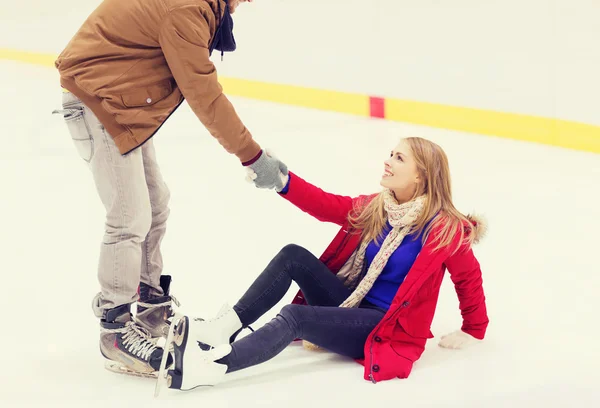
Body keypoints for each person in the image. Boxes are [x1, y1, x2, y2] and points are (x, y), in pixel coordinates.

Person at [52, 0, 286, 377]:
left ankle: (148, 306)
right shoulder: (186, 11)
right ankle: (115, 327)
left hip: (121, 101)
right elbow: (204, 94)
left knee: (156, 205)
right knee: (129, 216)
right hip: (97, 99)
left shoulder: (200, 8)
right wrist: (252, 156)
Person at [159, 137, 490, 390]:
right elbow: (326, 205)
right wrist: (281, 181)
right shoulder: (380, 206)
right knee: (293, 255)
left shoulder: (445, 230)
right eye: (391, 153)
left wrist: (473, 331)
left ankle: (214, 368)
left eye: (399, 158)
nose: (388, 161)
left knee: (295, 317)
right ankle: (220, 329)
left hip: (380, 326)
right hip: (351, 303)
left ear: (421, 176)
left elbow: (468, 280)